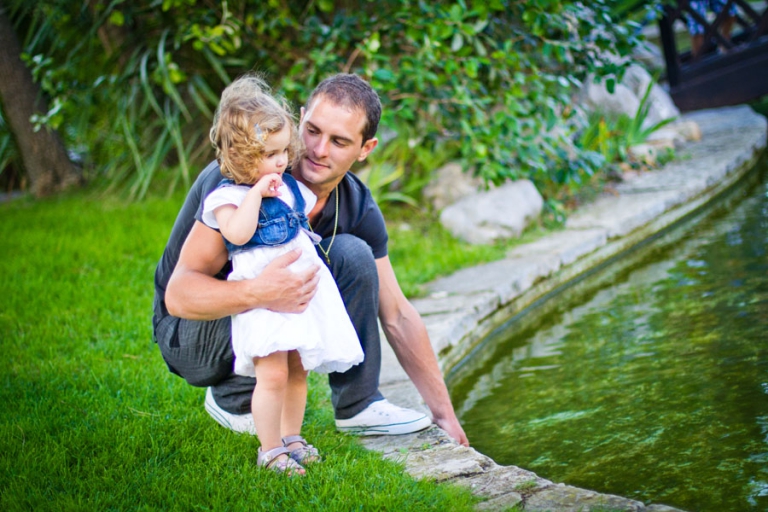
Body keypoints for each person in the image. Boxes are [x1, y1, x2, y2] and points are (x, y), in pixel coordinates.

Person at [152, 73, 469, 447]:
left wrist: (445, 415)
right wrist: (259, 292)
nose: (318, 150)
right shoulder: (236, 180)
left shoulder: (356, 203)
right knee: (279, 287)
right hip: (190, 336)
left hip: (255, 320)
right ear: (300, 119)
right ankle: (233, 398)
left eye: (339, 141)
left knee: (353, 254)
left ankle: (358, 403)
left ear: (366, 149)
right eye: (313, 131)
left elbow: (396, 313)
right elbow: (179, 296)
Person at [200, 76, 364, 474]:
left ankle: (292, 437)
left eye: (282, 152)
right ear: (239, 157)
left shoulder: (289, 186)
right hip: (264, 300)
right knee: (271, 373)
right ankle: (269, 448)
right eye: (270, 154)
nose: (281, 162)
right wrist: (256, 193)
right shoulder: (228, 197)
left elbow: (299, 225)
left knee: (296, 369)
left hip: (299, 298)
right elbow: (238, 234)